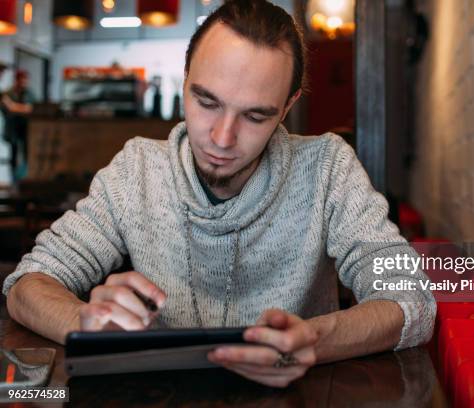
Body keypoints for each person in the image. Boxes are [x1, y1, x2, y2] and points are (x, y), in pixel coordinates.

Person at [2, 0, 435, 388]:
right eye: (206, 102)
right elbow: (27, 285)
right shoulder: (136, 170)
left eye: (254, 115)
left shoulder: (327, 169)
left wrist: (316, 341)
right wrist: (85, 325)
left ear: (287, 107)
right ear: (185, 78)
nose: (222, 139)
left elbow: (411, 301)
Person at [1, 69, 35, 181]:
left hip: (26, 128)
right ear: (17, 80)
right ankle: (13, 178)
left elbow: (31, 109)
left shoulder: (29, 93)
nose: (24, 82)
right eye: (22, 80)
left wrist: (13, 106)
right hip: (13, 129)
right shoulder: (8, 93)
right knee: (14, 153)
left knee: (27, 153)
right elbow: (6, 108)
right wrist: (19, 108)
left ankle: (26, 177)